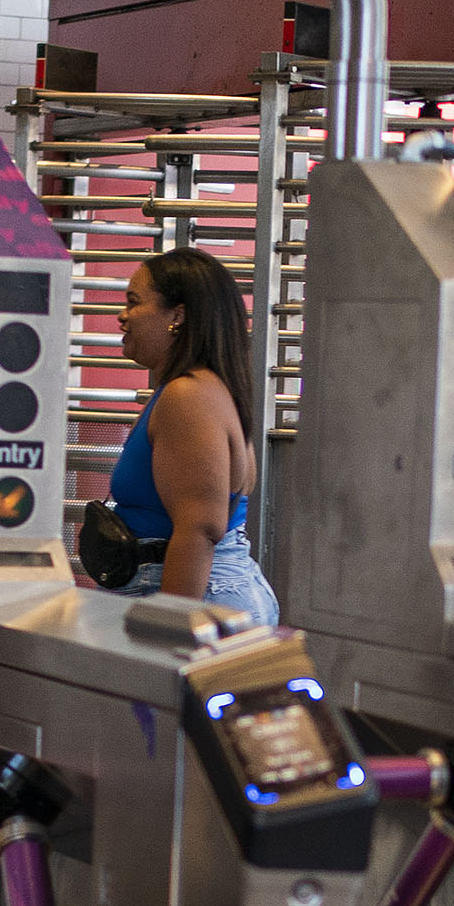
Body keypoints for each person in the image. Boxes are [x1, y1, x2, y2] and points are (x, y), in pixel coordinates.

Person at [108, 247, 278, 625]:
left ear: (178, 315)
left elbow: (198, 530)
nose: (122, 316)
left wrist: (167, 629)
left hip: (198, 598)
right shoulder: (202, 388)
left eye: (134, 303)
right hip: (212, 594)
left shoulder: (189, 396)